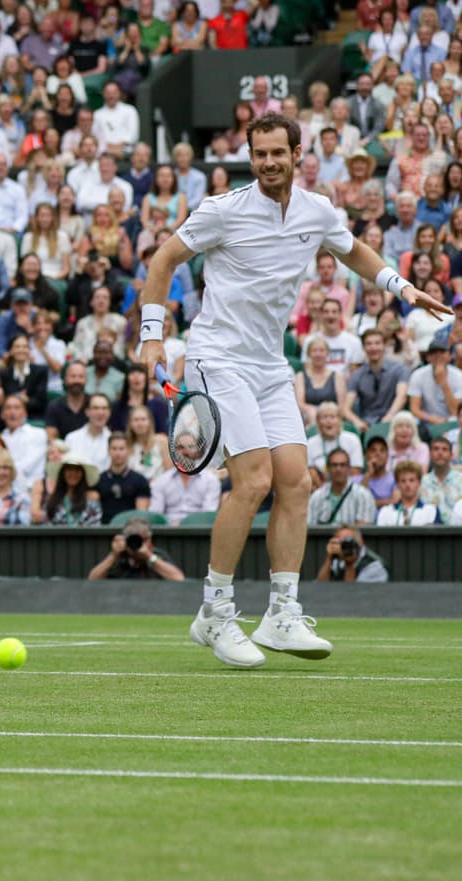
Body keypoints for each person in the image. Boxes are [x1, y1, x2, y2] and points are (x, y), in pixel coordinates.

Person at [139, 111, 450, 668]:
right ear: (250, 157)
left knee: (296, 481)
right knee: (254, 480)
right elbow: (164, 259)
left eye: (277, 153)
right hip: (218, 358)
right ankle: (215, 612)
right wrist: (151, 337)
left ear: (297, 154)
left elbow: (351, 250)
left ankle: (281, 613)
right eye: (259, 154)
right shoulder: (222, 210)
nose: (268, 162)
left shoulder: (317, 210)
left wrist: (402, 287)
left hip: (268, 365)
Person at [343, 328, 410, 432]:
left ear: (384, 345)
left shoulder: (399, 370)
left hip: (393, 422)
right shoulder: (357, 374)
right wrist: (358, 422)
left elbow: (401, 397)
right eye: (369, 344)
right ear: (363, 348)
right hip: (366, 424)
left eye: (377, 343)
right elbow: (346, 408)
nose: (373, 348)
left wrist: (389, 417)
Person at [87, 516, 185, 580]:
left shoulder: (156, 556)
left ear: (149, 540)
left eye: (142, 540)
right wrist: (113, 556)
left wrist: (149, 556)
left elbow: (179, 578)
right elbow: (92, 580)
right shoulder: (118, 557)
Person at [307, 448, 377, 526]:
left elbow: (364, 529)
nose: (338, 469)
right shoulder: (316, 497)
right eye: (334, 465)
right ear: (328, 469)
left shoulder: (363, 495)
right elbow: (309, 527)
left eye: (343, 465)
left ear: (349, 468)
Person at [97, 432, 152, 523]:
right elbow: (93, 512)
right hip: (103, 529)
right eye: (114, 448)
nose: (118, 453)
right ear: (108, 451)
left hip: (130, 529)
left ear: (128, 451)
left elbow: (141, 515)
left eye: (121, 449)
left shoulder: (140, 480)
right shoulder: (98, 480)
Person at [375, 460, 443, 524]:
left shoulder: (431, 511)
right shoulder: (385, 512)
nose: (407, 485)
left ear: (419, 483)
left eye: (412, 480)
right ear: (397, 484)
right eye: (403, 481)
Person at [42, 453, 102, 526]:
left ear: (83, 474)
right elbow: (46, 526)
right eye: (69, 469)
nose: (73, 473)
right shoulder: (51, 500)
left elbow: (95, 526)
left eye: (77, 470)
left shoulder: (91, 500)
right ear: (63, 473)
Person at [316, 524, 389, 582]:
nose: (345, 547)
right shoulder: (337, 559)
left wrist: (349, 565)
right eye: (342, 543)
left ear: (360, 542)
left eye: (349, 542)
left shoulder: (374, 566)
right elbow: (320, 587)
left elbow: (353, 593)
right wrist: (329, 559)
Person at [64, 392, 112, 472]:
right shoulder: (72, 438)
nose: (100, 412)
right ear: (87, 412)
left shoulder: (113, 441)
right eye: (96, 408)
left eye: (104, 408)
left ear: (109, 412)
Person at [421, 435, 462, 522]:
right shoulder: (421, 482)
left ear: (451, 455)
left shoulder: (460, 479)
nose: (440, 453)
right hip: (429, 529)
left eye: (444, 449)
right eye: (436, 449)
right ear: (430, 454)